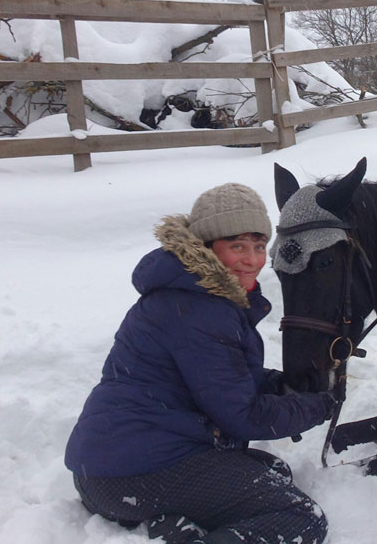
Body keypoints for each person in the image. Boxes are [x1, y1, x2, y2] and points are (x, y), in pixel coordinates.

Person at [64, 183, 336, 544]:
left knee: (273, 470)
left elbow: (216, 378)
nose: (252, 259)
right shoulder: (200, 310)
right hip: (135, 474)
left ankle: (172, 525)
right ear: (206, 248)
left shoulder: (194, 294)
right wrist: (317, 406)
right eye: (236, 246)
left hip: (110, 468)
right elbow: (242, 416)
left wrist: (279, 385)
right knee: (300, 518)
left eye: (258, 246)